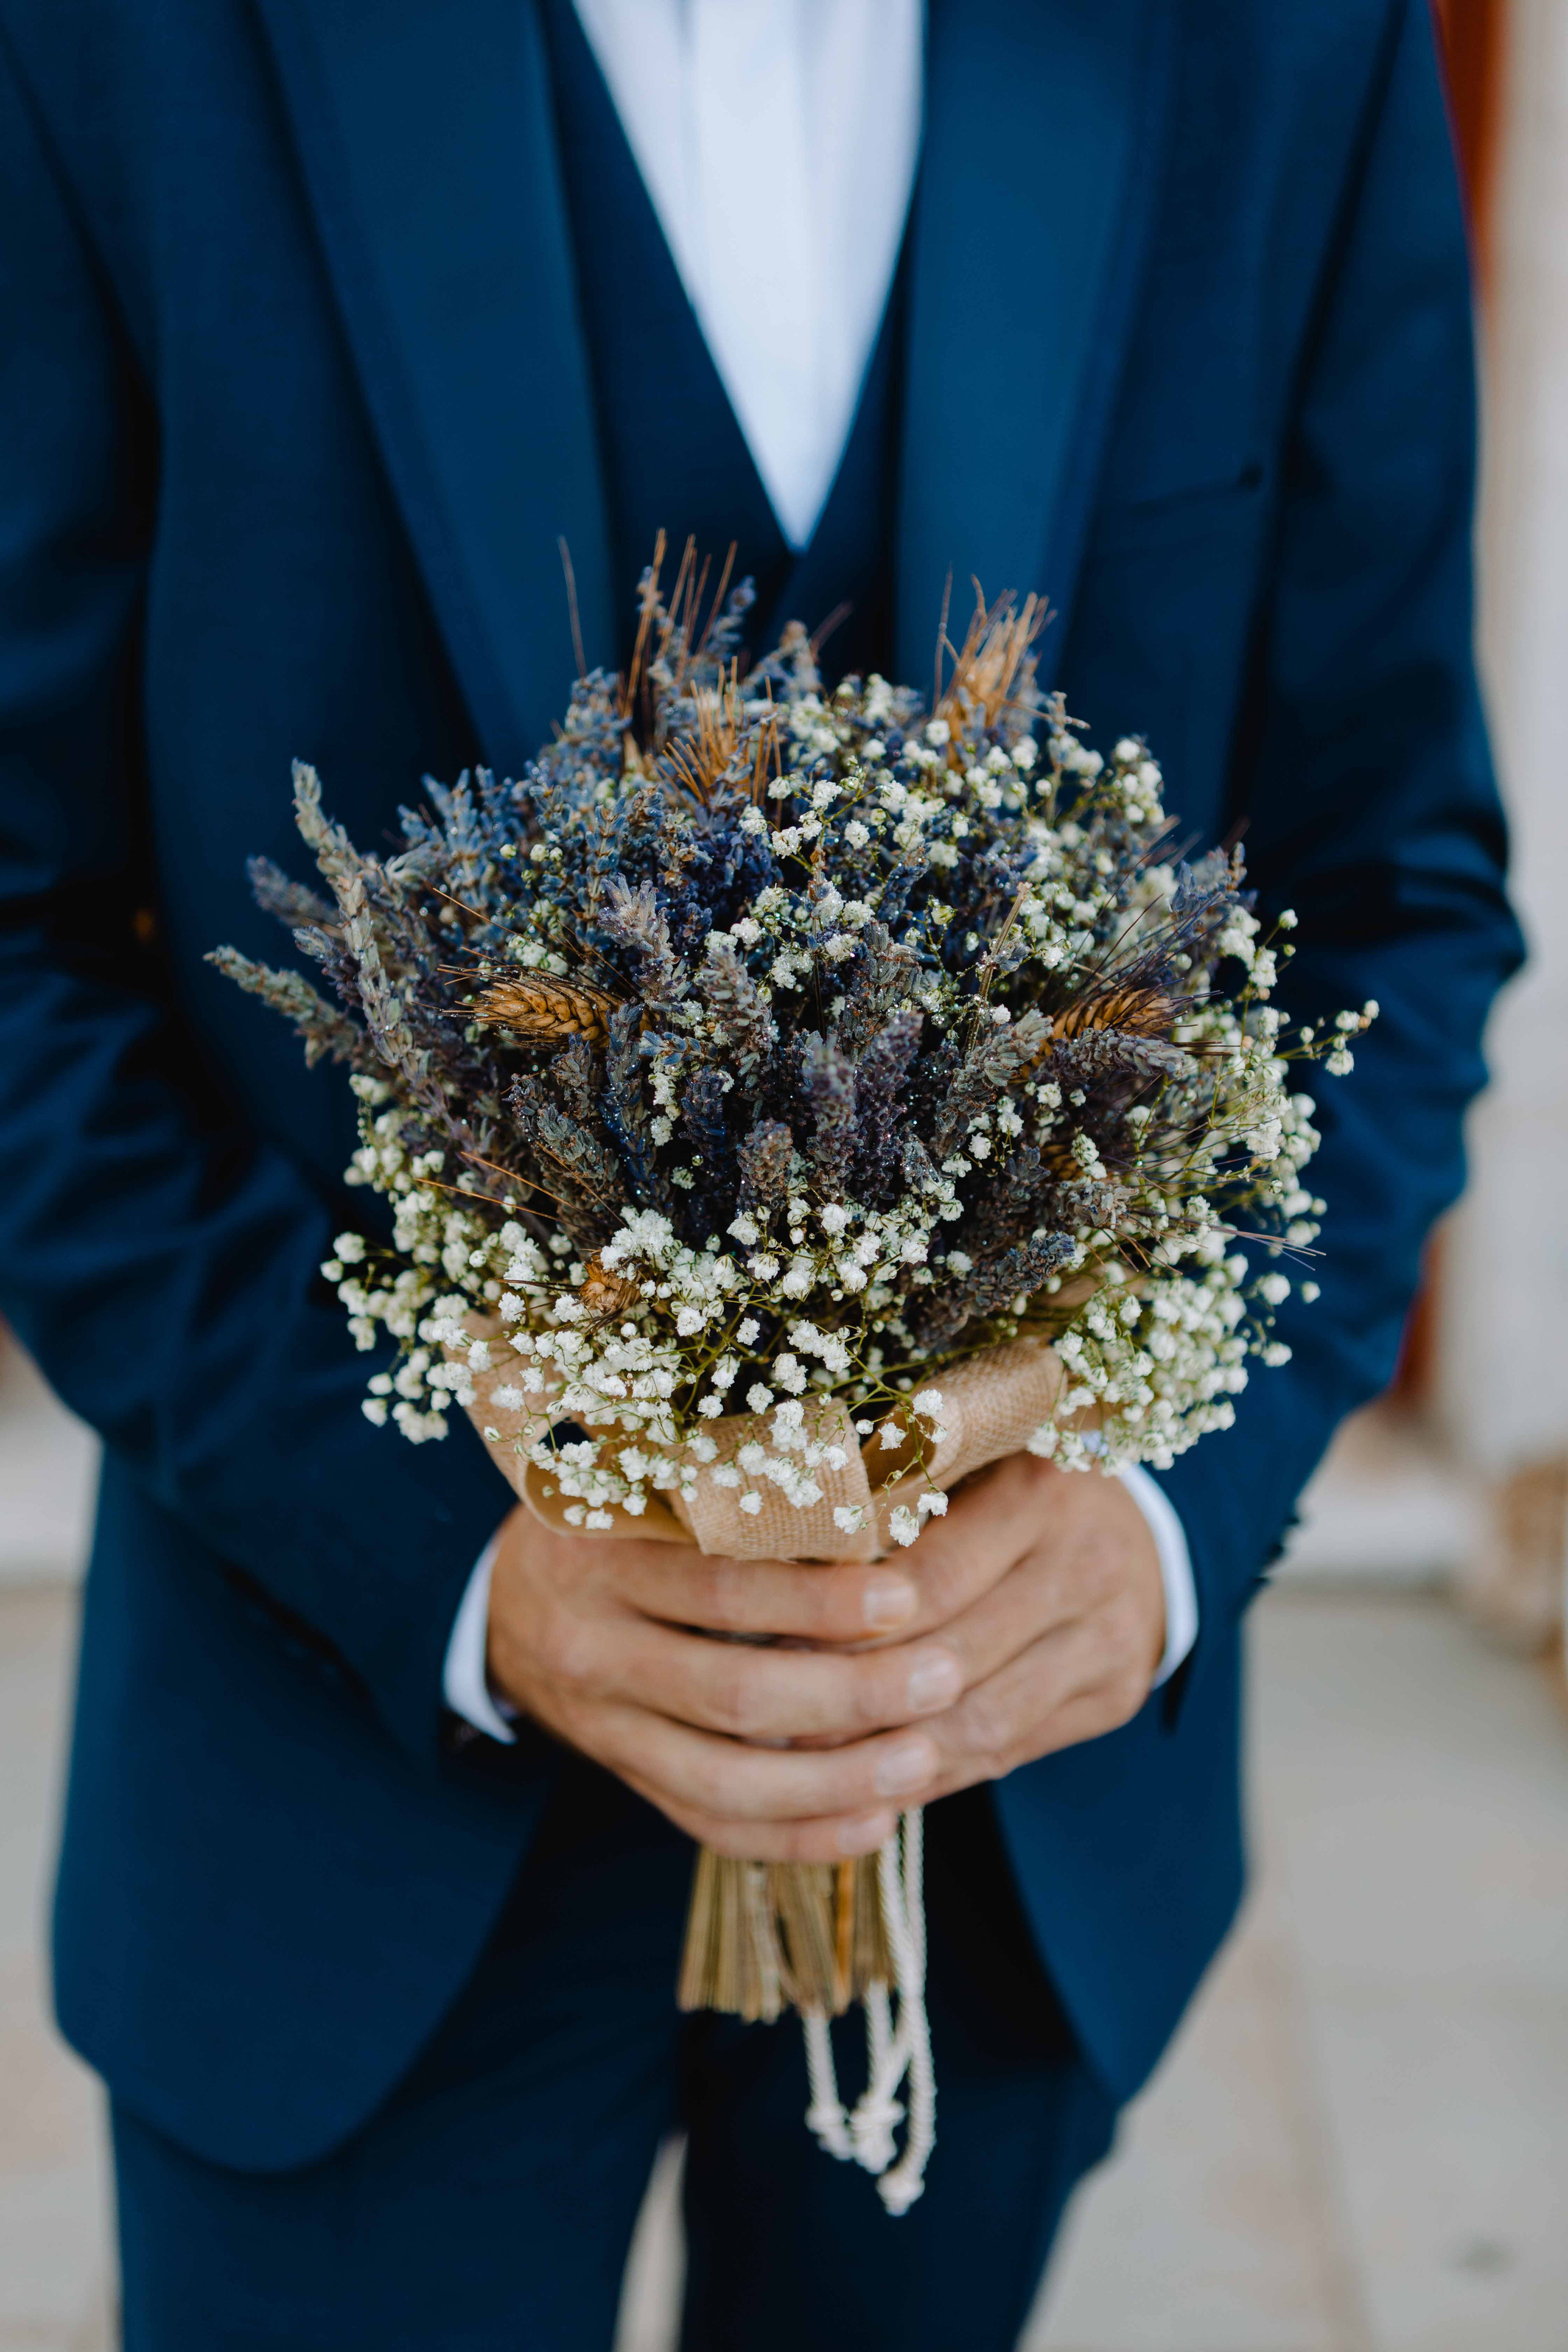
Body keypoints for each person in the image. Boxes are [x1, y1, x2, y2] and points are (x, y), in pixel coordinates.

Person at [0, 1, 1522, 2345]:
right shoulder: (116, 46)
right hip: (338, 1807)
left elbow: (1388, 893)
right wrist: (436, 1554)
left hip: (1002, 1832)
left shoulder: (1280, 39)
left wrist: (1157, 1522)